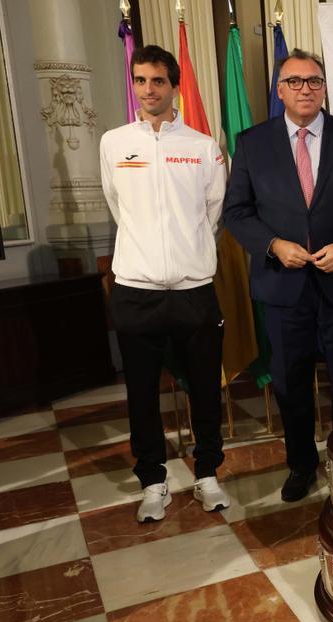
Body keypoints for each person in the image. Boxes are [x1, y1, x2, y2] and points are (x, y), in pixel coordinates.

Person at [224, 49, 333, 502]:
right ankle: (301, 464)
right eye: (294, 82)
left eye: (313, 81)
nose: (304, 89)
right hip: (282, 285)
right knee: (289, 383)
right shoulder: (252, 143)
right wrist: (272, 245)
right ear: (280, 89)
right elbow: (237, 212)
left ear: (324, 87)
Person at [99, 45, 230, 522]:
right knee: (140, 392)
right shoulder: (113, 142)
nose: (147, 90)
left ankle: (208, 474)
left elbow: (211, 212)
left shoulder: (201, 146)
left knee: (204, 389)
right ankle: (153, 481)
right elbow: (118, 206)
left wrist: (187, 255)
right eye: (139, 81)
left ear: (174, 86)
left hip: (194, 289)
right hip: (136, 290)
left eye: (157, 81)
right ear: (132, 85)